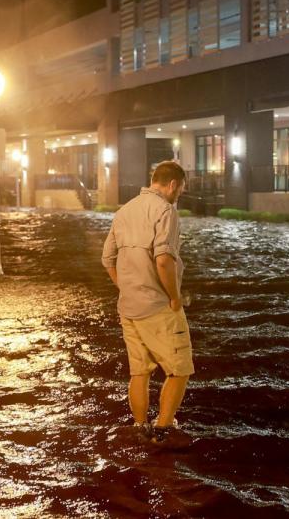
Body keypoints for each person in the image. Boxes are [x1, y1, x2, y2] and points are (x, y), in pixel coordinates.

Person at [101, 160, 193, 447]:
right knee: (179, 369)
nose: (179, 196)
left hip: (128, 306)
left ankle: (140, 427)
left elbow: (107, 260)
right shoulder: (166, 211)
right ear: (173, 184)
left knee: (139, 372)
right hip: (157, 307)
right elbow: (164, 260)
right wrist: (175, 297)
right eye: (181, 190)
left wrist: (125, 287)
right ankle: (163, 430)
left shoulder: (124, 210)